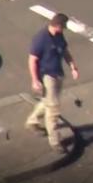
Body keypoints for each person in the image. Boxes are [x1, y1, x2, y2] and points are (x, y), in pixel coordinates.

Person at [25, 13, 79, 154]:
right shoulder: (41, 39)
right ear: (57, 25)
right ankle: (55, 141)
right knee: (53, 110)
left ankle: (32, 121)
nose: (64, 30)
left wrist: (73, 66)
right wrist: (35, 80)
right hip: (47, 76)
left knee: (47, 101)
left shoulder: (58, 35)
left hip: (58, 73)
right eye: (63, 27)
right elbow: (32, 60)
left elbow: (65, 51)